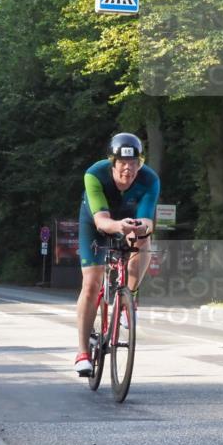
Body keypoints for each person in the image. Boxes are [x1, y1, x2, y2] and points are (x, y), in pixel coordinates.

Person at [74, 133, 160, 376]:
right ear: (113, 163)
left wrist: (141, 227)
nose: (128, 169)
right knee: (91, 284)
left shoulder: (150, 179)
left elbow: (147, 219)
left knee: (144, 239)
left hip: (129, 219)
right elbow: (102, 222)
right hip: (96, 222)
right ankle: (82, 353)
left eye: (134, 164)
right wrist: (118, 225)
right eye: (123, 163)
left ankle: (127, 299)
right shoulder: (95, 174)